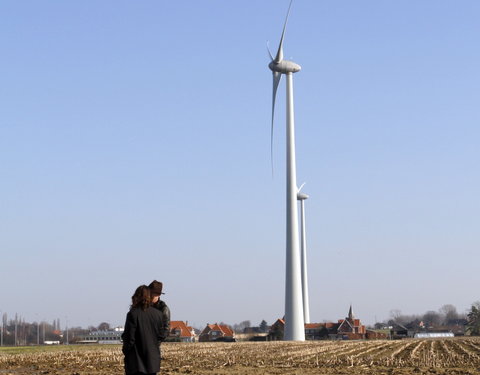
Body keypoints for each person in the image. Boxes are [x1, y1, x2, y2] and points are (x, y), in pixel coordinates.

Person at [122, 285, 164, 375]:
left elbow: (129, 338)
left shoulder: (132, 314)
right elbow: (161, 335)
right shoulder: (159, 314)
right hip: (153, 361)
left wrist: (126, 351)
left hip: (137, 362)